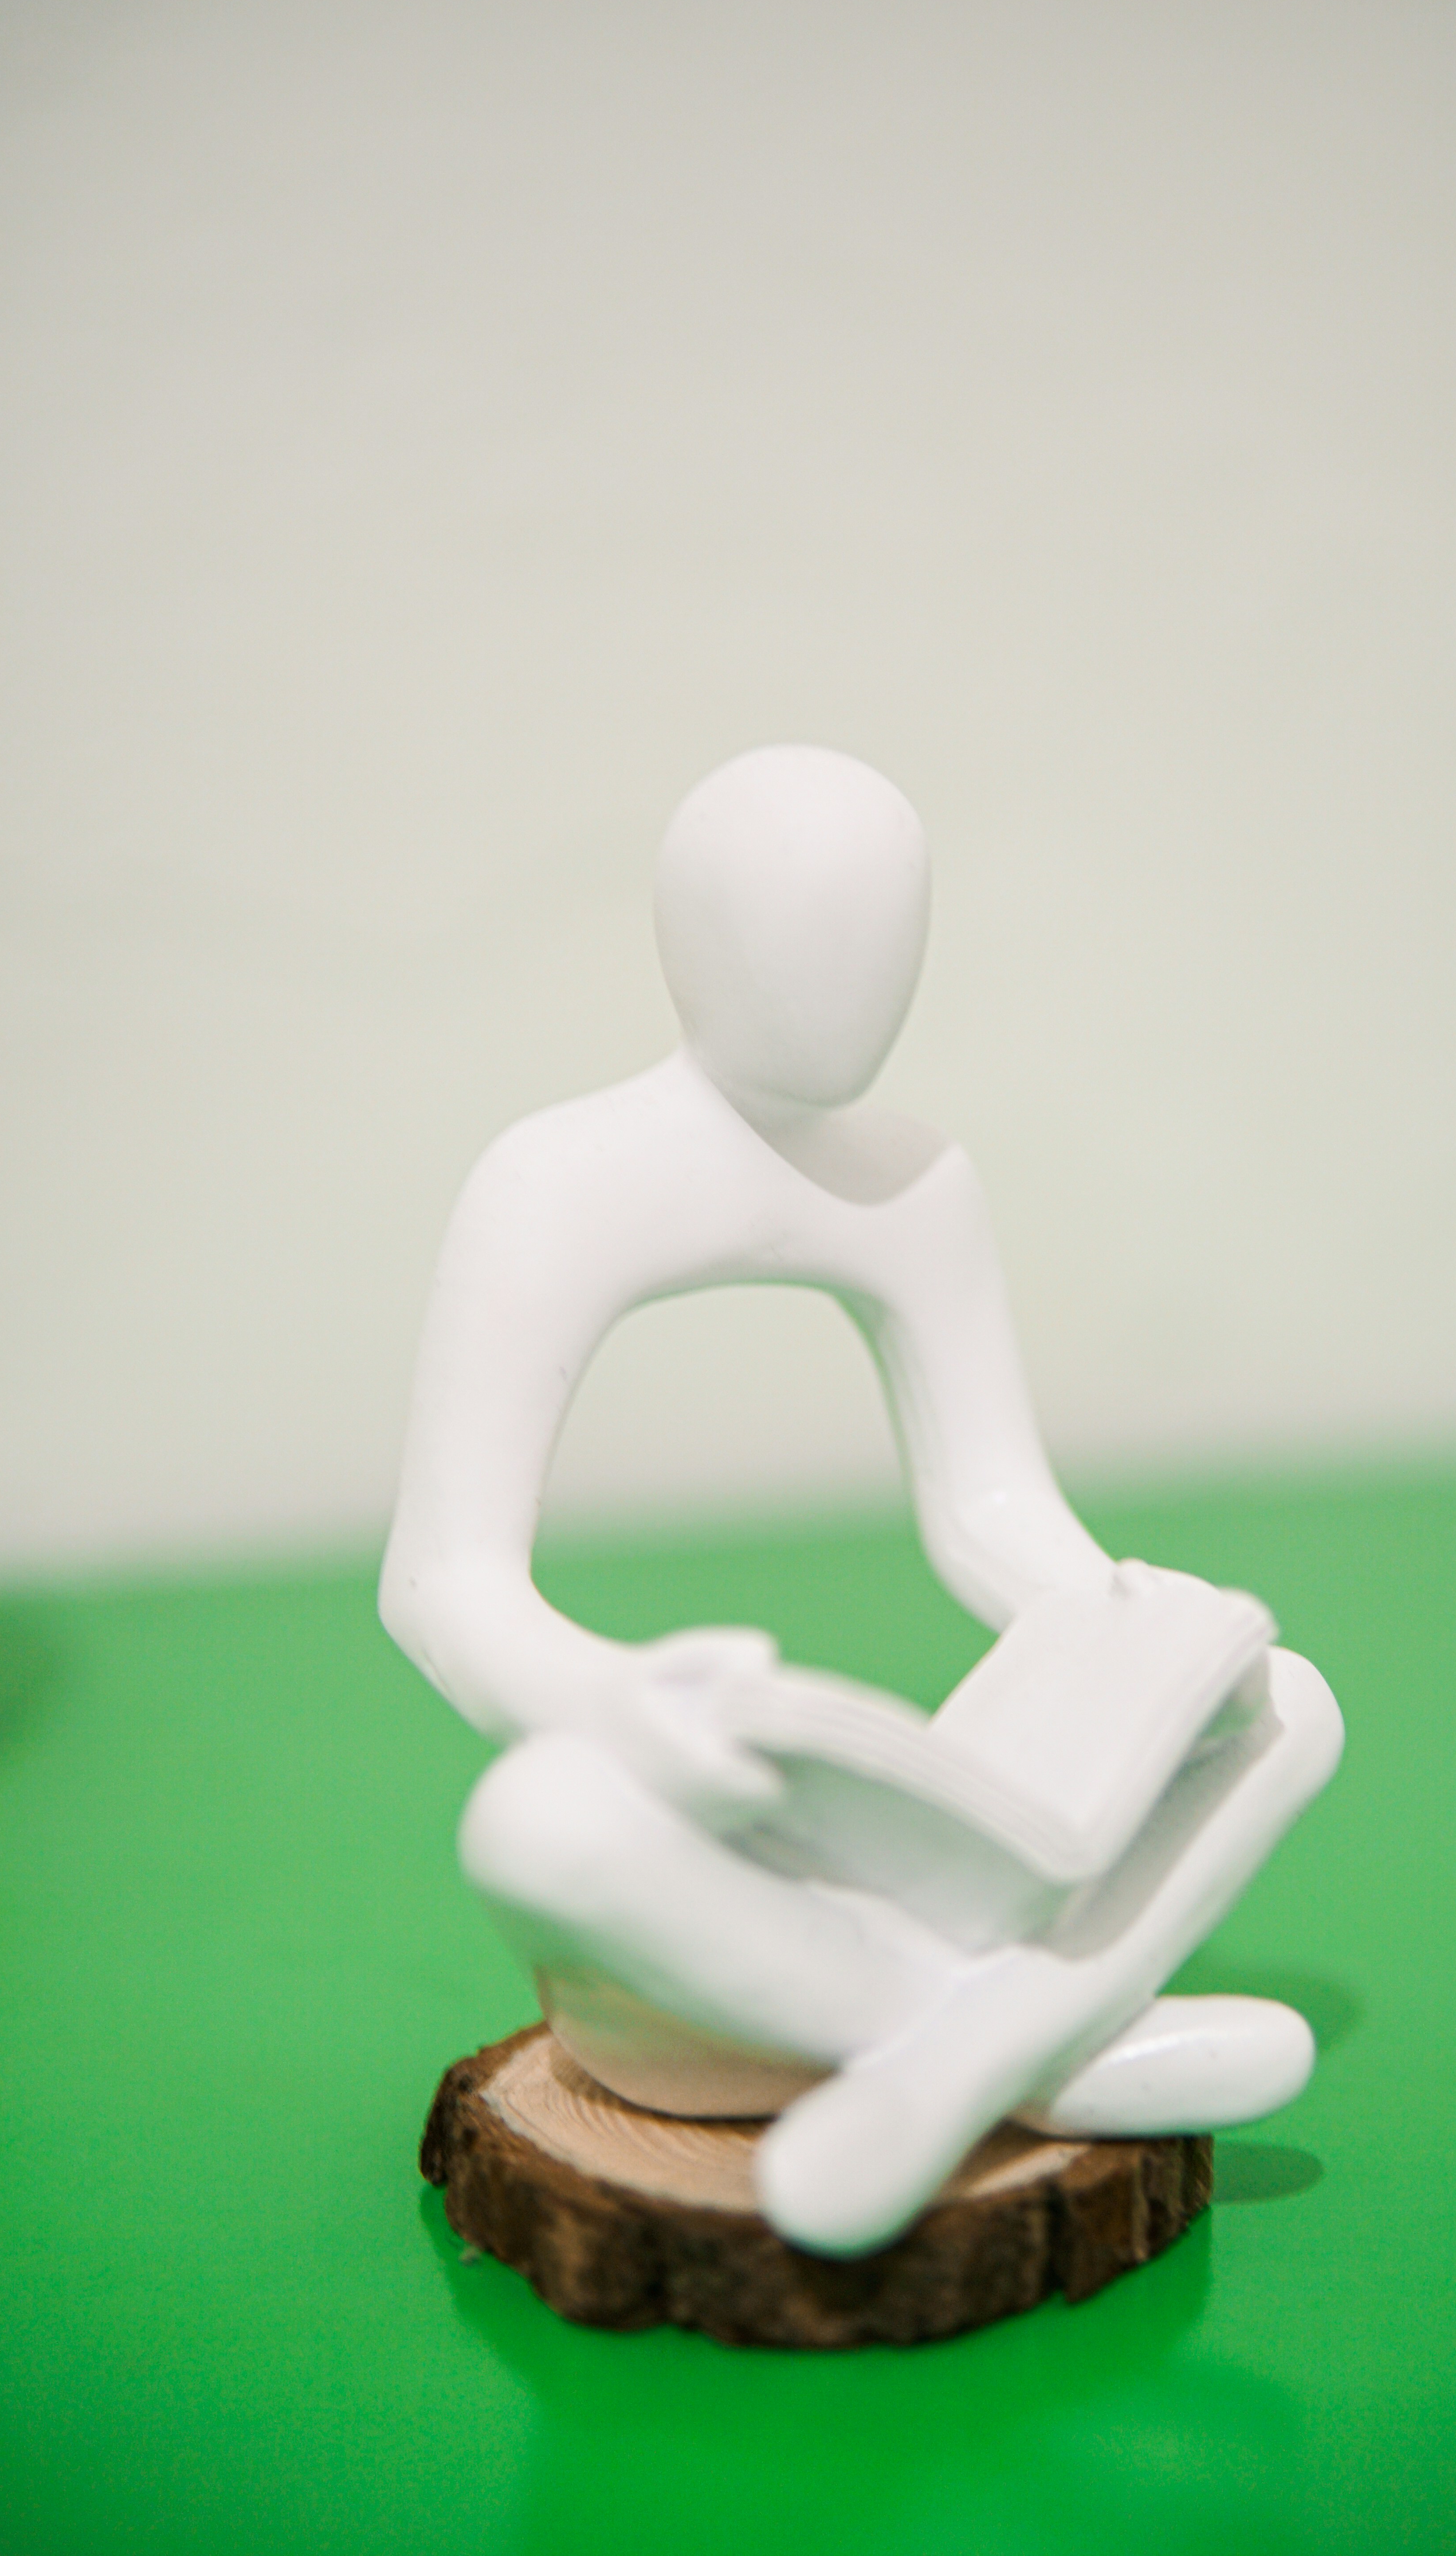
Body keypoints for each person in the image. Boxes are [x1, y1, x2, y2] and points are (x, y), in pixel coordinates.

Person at [381, 746, 1342, 2254]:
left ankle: (957, 2055)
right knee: (540, 1818)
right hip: (694, 1975)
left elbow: (991, 1510)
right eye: (802, 943)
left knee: (1282, 1698)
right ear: (687, 948)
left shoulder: (916, 1178)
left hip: (939, 1884)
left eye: (884, 947)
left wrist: (1122, 1629)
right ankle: (1031, 2041)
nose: (852, 994)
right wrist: (620, 1706)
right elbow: (442, 1581)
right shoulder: (555, 1181)